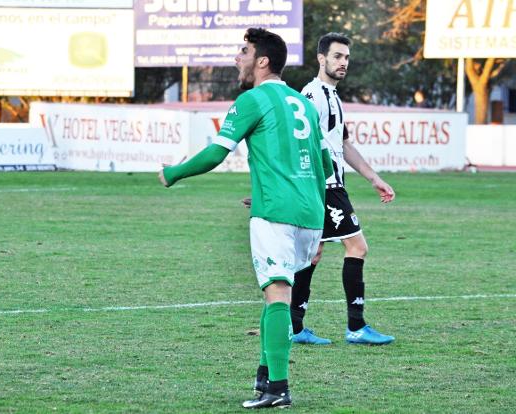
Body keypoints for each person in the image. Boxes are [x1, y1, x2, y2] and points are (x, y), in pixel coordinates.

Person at [159, 28, 333, 409]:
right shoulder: (301, 103)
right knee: (279, 294)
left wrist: (174, 173)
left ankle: (278, 388)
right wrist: (322, 229)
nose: (238, 58)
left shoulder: (253, 99)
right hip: (309, 214)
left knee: (276, 293)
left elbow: (216, 153)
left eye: (244, 51)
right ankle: (264, 375)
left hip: (274, 214)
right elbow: (324, 164)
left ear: (263, 60)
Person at [291, 32, 396, 345]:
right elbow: (300, 142)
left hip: (329, 184)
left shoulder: (331, 96)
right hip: (325, 184)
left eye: (346, 58)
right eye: (337, 56)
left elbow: (344, 143)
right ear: (322, 59)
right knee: (357, 247)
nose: (343, 63)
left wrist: (373, 178)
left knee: (313, 254)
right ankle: (356, 326)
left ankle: (294, 327)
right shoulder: (312, 96)